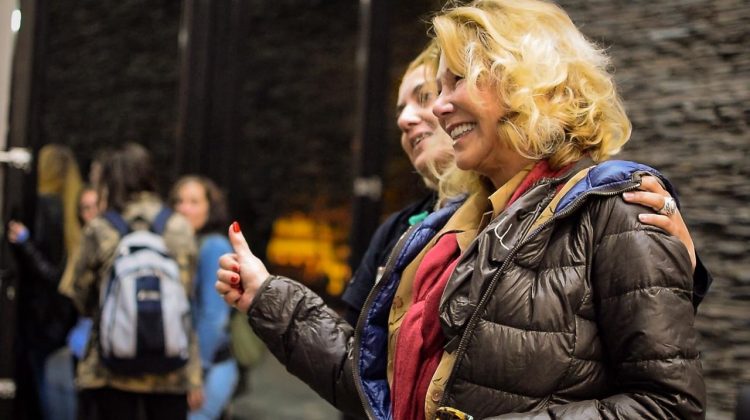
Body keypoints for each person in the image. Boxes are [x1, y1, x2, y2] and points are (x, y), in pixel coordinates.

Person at [218, 1, 706, 417]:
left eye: (456, 82)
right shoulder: (441, 229)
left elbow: (666, 404)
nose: (437, 107)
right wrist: (268, 297)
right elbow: (375, 390)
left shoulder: (616, 205)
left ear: (524, 82)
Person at [342, 41, 712, 327]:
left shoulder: (591, 201)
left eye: (430, 94)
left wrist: (674, 273)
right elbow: (361, 359)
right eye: (400, 108)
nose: (408, 118)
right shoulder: (405, 227)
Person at [61, 143, 202, 420]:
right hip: (171, 367)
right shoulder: (179, 226)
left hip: (112, 367)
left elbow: (78, 293)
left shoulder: (101, 228)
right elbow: (186, 294)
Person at [7, 144, 82, 420]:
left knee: (42, 383)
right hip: (62, 312)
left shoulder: (45, 206)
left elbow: (50, 271)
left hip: (42, 312)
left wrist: (25, 243)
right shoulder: (72, 208)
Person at [169, 175, 239, 420]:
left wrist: (196, 376)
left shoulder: (213, 246)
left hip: (209, 370)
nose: (184, 208)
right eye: (179, 201)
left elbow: (213, 318)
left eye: (194, 201)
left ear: (210, 208)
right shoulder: (186, 244)